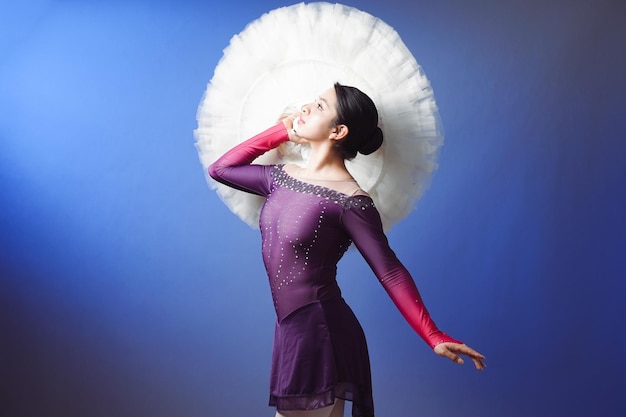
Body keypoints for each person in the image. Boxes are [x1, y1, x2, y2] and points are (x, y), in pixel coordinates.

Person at [208, 83, 485, 417]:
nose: (306, 107)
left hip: (318, 331)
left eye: (320, 106)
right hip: (294, 329)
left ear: (338, 131)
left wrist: (432, 334)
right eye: (312, 101)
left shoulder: (351, 202)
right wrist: (281, 131)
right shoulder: (278, 178)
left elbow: (391, 271)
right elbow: (221, 169)